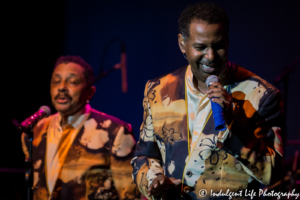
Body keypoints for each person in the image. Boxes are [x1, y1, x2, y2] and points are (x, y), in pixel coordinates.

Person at [131, 2, 283, 200]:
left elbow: (273, 174)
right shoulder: (158, 89)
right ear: (182, 44)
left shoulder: (263, 95)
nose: (210, 56)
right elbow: (143, 156)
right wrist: (154, 181)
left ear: (227, 41)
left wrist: (233, 127)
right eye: (200, 47)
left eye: (218, 46)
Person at [21, 56, 140, 200]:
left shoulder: (114, 131)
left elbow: (130, 195)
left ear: (90, 92)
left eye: (72, 82)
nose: (62, 87)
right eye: (56, 81)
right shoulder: (37, 130)